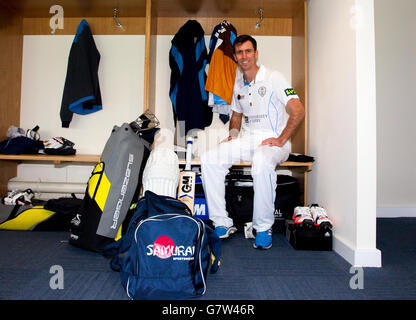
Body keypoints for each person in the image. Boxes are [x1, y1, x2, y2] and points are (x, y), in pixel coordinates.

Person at [200, 35, 305, 249]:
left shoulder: (273, 77)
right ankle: (222, 223)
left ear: (256, 54)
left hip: (274, 141)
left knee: (261, 161)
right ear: (236, 56)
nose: (244, 56)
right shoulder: (238, 83)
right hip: (248, 139)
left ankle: (263, 227)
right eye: (239, 52)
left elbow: (298, 109)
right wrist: (234, 135)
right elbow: (236, 115)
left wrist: (281, 138)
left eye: (248, 51)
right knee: (210, 158)